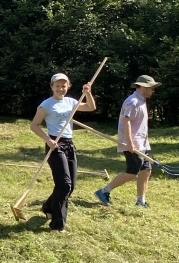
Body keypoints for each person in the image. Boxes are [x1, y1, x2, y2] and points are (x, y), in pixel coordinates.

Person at [29, 73, 96, 232]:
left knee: (70, 185)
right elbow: (34, 125)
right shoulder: (46, 105)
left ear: (68, 87)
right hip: (54, 145)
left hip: (69, 144)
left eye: (63, 86)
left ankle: (48, 207)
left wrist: (88, 93)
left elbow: (91, 107)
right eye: (57, 86)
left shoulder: (71, 101)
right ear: (52, 87)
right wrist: (48, 140)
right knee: (64, 184)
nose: (60, 88)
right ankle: (58, 225)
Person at [95, 75, 161, 209]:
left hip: (141, 143)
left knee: (146, 170)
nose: (153, 90)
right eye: (151, 87)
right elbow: (127, 121)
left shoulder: (141, 100)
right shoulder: (133, 101)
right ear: (143, 87)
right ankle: (103, 191)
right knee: (132, 172)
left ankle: (140, 201)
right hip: (132, 144)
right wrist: (130, 143)